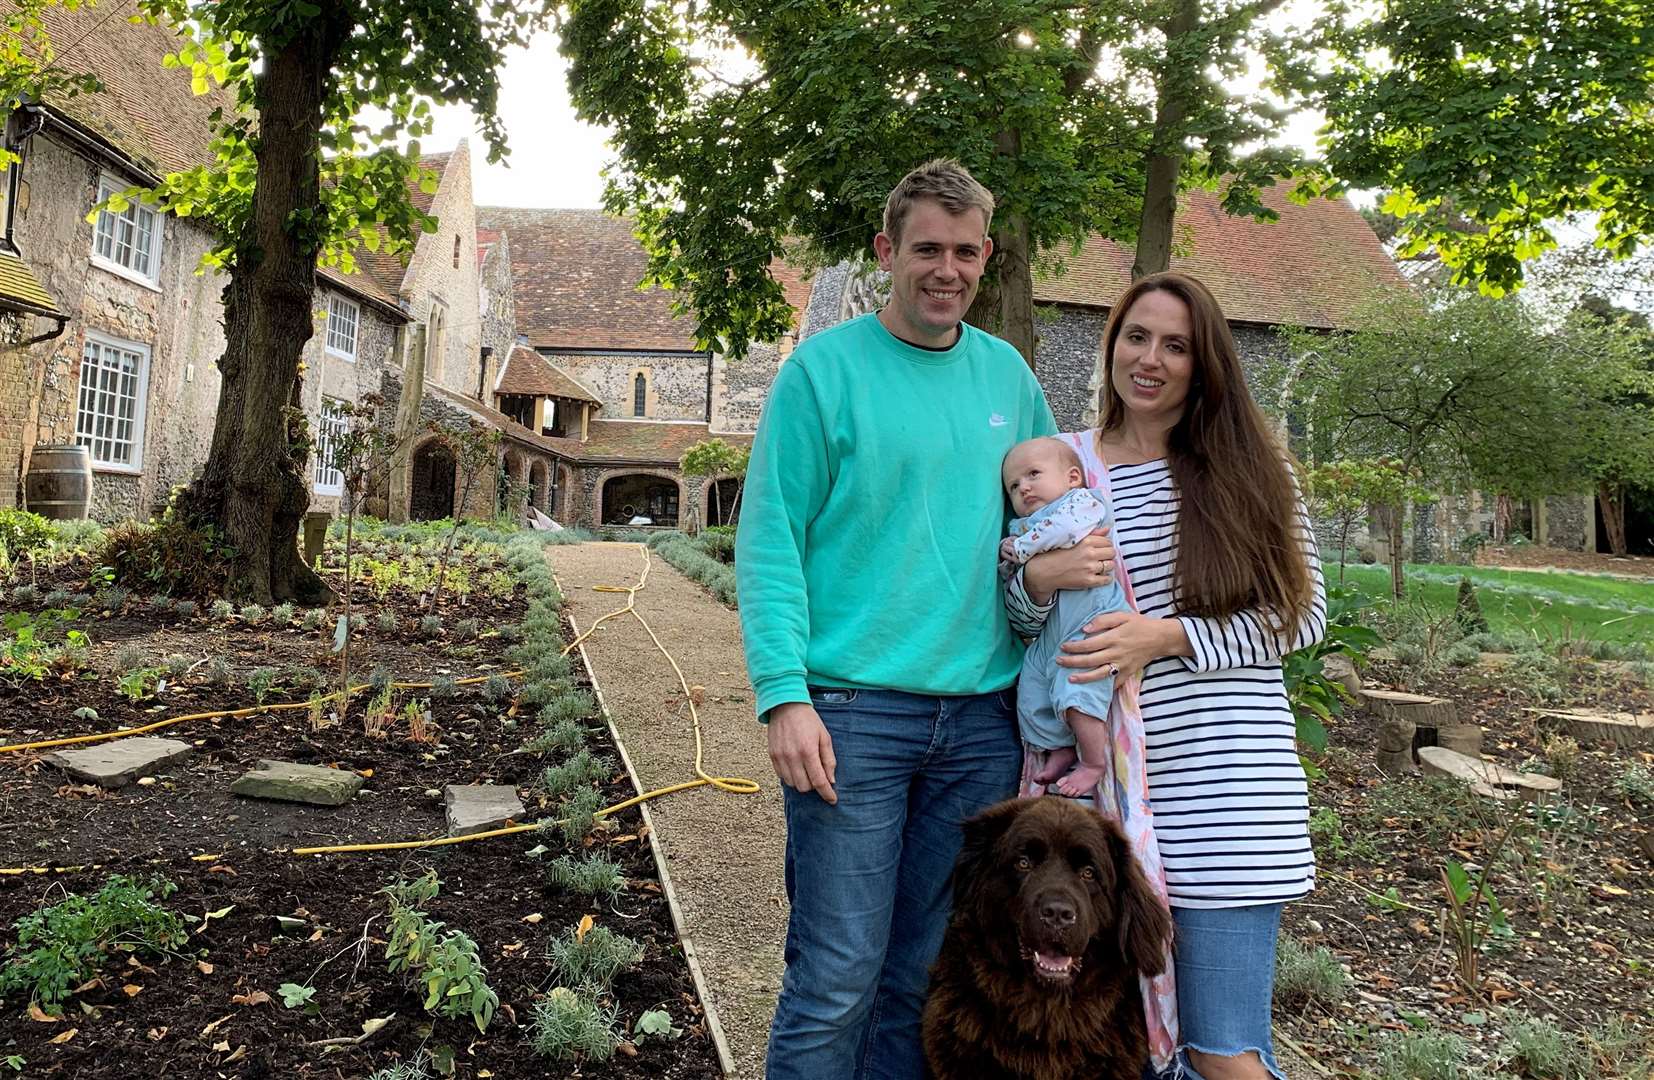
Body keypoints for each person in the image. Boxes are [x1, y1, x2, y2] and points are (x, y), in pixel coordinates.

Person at [736, 159, 1074, 1080]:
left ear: (987, 257)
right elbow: (769, 539)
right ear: (887, 251)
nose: (947, 269)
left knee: (923, 975)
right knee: (836, 975)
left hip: (979, 724)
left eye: (966, 252)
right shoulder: (822, 375)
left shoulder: (1010, 377)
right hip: (851, 718)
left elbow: (1053, 526)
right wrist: (783, 696)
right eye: (928, 248)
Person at [1006, 272, 1326, 1080]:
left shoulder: (1251, 472)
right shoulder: (1059, 464)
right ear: (1112, 345)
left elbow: (1301, 619)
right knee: (1119, 1054)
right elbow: (1016, 618)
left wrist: (1164, 637)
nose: (1150, 359)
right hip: (1102, 808)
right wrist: (1038, 583)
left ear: (1205, 360)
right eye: (1136, 337)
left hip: (1226, 794)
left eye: (1175, 345)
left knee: (1223, 1052)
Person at [999, 436, 1130, 796]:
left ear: (1073, 477)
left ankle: (1093, 761)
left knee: (1077, 693)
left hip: (1092, 621)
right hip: (1051, 633)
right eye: (1013, 485)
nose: (1023, 487)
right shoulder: (1022, 527)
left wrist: (1021, 550)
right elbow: (1013, 580)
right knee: (1031, 691)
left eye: (1033, 475)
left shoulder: (1081, 503)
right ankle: (1058, 747)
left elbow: (1064, 531)